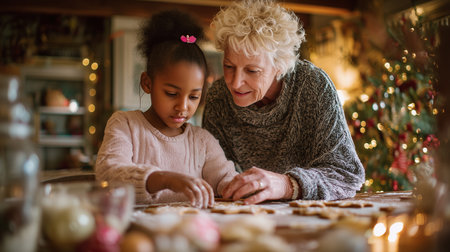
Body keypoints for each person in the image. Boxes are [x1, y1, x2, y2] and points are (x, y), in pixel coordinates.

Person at [203, 0, 365, 204]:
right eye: (228, 66)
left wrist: (286, 184)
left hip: (312, 217)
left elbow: (347, 175)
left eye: (252, 70)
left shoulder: (312, 86)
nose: (235, 83)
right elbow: (212, 173)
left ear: (280, 66)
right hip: (249, 215)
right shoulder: (218, 98)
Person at [95, 10, 238, 208]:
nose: (183, 107)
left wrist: (240, 186)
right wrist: (164, 179)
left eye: (194, 96)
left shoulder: (203, 141)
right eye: (171, 93)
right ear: (147, 83)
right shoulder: (125, 124)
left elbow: (226, 180)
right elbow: (108, 173)